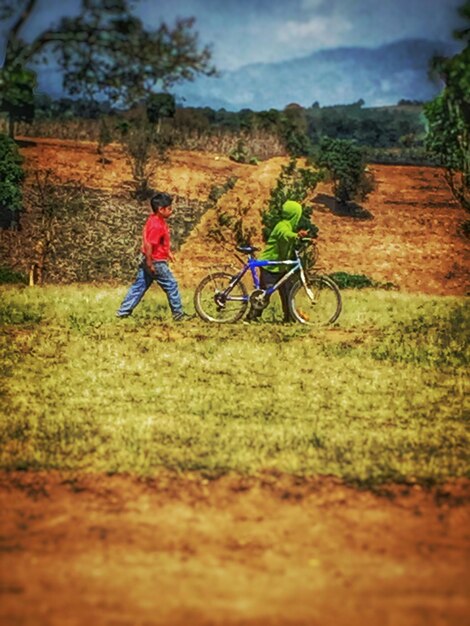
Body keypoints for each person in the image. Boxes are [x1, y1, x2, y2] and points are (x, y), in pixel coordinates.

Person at [116, 192, 191, 321]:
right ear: (161, 210)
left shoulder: (154, 220)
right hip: (156, 261)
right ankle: (178, 314)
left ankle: (123, 312)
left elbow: (159, 242)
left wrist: (168, 253)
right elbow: (149, 244)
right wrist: (150, 262)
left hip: (150, 258)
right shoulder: (157, 225)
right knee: (171, 285)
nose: (171, 211)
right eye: (169, 208)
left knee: (140, 286)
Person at [247, 199, 309, 322]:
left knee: (287, 291)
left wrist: (304, 239)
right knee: (265, 294)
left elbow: (290, 238)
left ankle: (289, 317)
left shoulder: (289, 227)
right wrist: (296, 235)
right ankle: (251, 317)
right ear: (294, 215)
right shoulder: (282, 226)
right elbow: (285, 235)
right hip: (270, 266)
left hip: (280, 267)